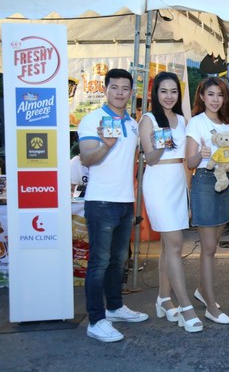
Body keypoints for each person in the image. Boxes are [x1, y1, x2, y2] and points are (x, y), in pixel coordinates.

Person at [78, 68, 148, 342]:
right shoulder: (92, 119)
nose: (120, 93)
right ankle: (96, 320)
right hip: (101, 202)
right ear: (105, 89)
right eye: (114, 87)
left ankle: (115, 307)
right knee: (99, 263)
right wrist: (106, 145)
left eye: (125, 88)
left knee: (119, 261)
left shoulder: (133, 123)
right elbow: (86, 158)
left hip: (125, 202)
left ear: (131, 92)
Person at [139, 72, 202, 333]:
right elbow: (150, 159)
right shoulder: (148, 119)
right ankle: (186, 306)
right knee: (176, 243)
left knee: (168, 245)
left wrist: (189, 189)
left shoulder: (183, 120)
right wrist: (161, 144)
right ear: (156, 93)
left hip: (178, 182)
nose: (169, 96)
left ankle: (164, 299)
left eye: (173, 91)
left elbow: (187, 160)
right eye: (163, 91)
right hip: (157, 182)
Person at [185, 76, 229, 325]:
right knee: (207, 249)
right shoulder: (196, 123)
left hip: (225, 182)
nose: (215, 100)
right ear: (202, 97)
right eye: (211, 94)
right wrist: (200, 154)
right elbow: (190, 162)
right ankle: (210, 306)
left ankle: (201, 289)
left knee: (213, 246)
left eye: (220, 95)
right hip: (205, 182)